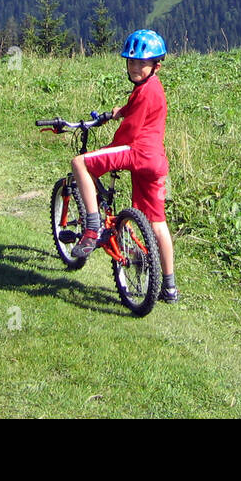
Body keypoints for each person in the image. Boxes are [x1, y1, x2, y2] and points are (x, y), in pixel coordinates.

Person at [70, 29, 178, 302]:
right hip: (156, 163)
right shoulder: (152, 87)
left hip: (135, 153)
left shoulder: (143, 91)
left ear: (156, 65)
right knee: (156, 223)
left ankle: (92, 229)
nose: (134, 67)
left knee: (80, 163)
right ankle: (169, 286)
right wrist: (120, 110)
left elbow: (128, 134)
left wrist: (105, 151)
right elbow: (140, 107)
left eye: (141, 63)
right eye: (131, 62)